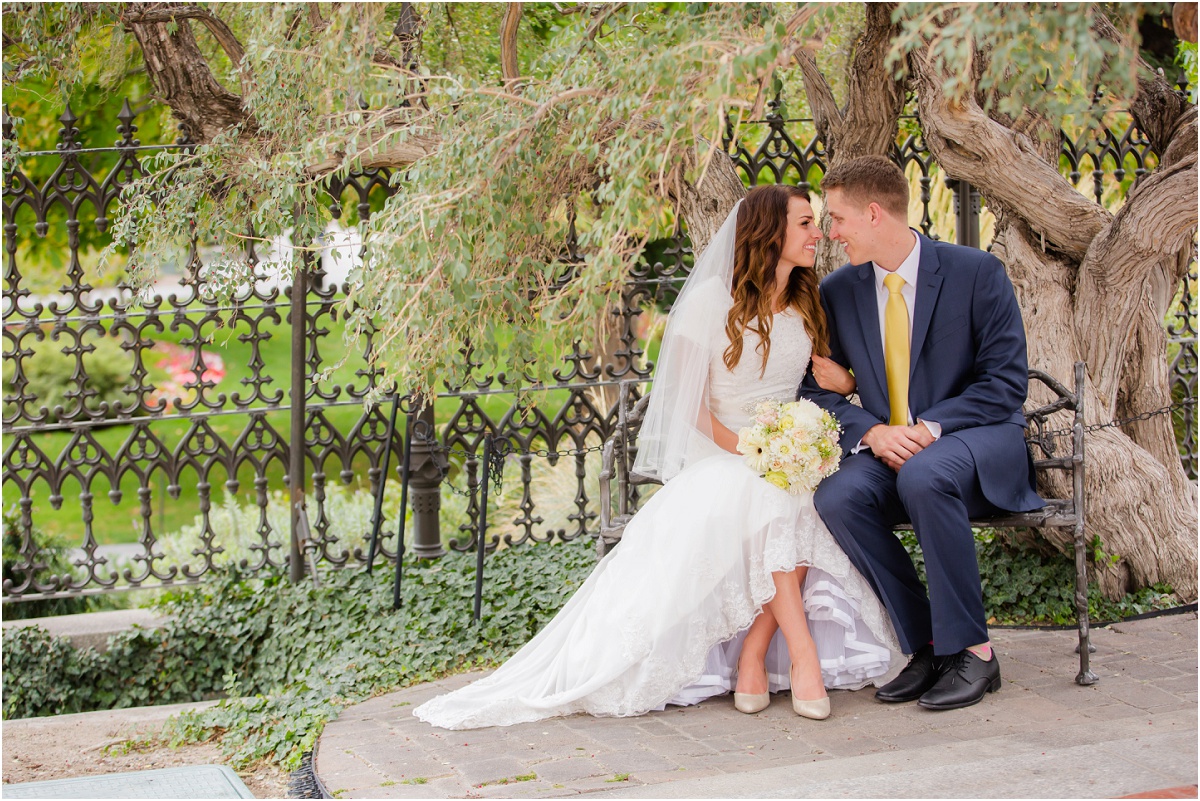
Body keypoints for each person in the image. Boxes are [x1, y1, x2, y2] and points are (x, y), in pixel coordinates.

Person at [413, 185, 902, 731]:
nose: (818, 235)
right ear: (770, 231)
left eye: (818, 223)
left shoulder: (807, 302)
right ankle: (803, 655)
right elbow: (689, 406)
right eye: (806, 224)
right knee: (775, 503)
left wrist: (843, 388)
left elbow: (825, 383)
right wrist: (753, 450)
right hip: (726, 452)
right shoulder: (711, 302)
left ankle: (753, 654)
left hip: (786, 454)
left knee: (799, 501)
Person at [798, 155, 1044, 711]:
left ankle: (976, 653)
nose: (831, 233)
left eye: (837, 219)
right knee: (837, 496)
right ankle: (930, 644)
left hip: (975, 437)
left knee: (926, 473)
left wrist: (927, 428)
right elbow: (818, 390)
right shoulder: (839, 292)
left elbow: (1005, 384)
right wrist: (874, 433)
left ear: (876, 214)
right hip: (893, 447)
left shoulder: (977, 272)